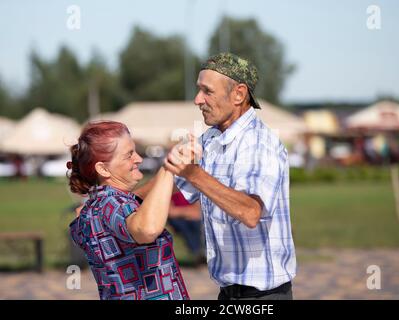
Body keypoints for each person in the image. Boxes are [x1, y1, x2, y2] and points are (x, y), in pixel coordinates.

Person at [164, 53, 297, 300]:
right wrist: (118, 197)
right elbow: (170, 182)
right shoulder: (212, 139)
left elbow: (250, 212)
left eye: (207, 91)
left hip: (263, 296)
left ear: (238, 94)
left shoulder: (259, 143)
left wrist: (194, 173)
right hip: (228, 293)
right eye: (198, 90)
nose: (197, 100)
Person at [67, 121, 189, 300]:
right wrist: (170, 166)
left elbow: (148, 195)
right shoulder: (112, 203)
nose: (138, 159)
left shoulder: (96, 205)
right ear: (102, 168)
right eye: (129, 155)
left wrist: (183, 169)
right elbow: (147, 230)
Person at [168, 192, 206, 266]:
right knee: (183, 226)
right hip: (178, 220)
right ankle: (197, 253)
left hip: (190, 218)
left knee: (197, 225)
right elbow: (171, 212)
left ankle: (198, 254)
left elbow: (198, 213)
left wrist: (179, 212)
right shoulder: (170, 191)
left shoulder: (193, 192)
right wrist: (187, 212)